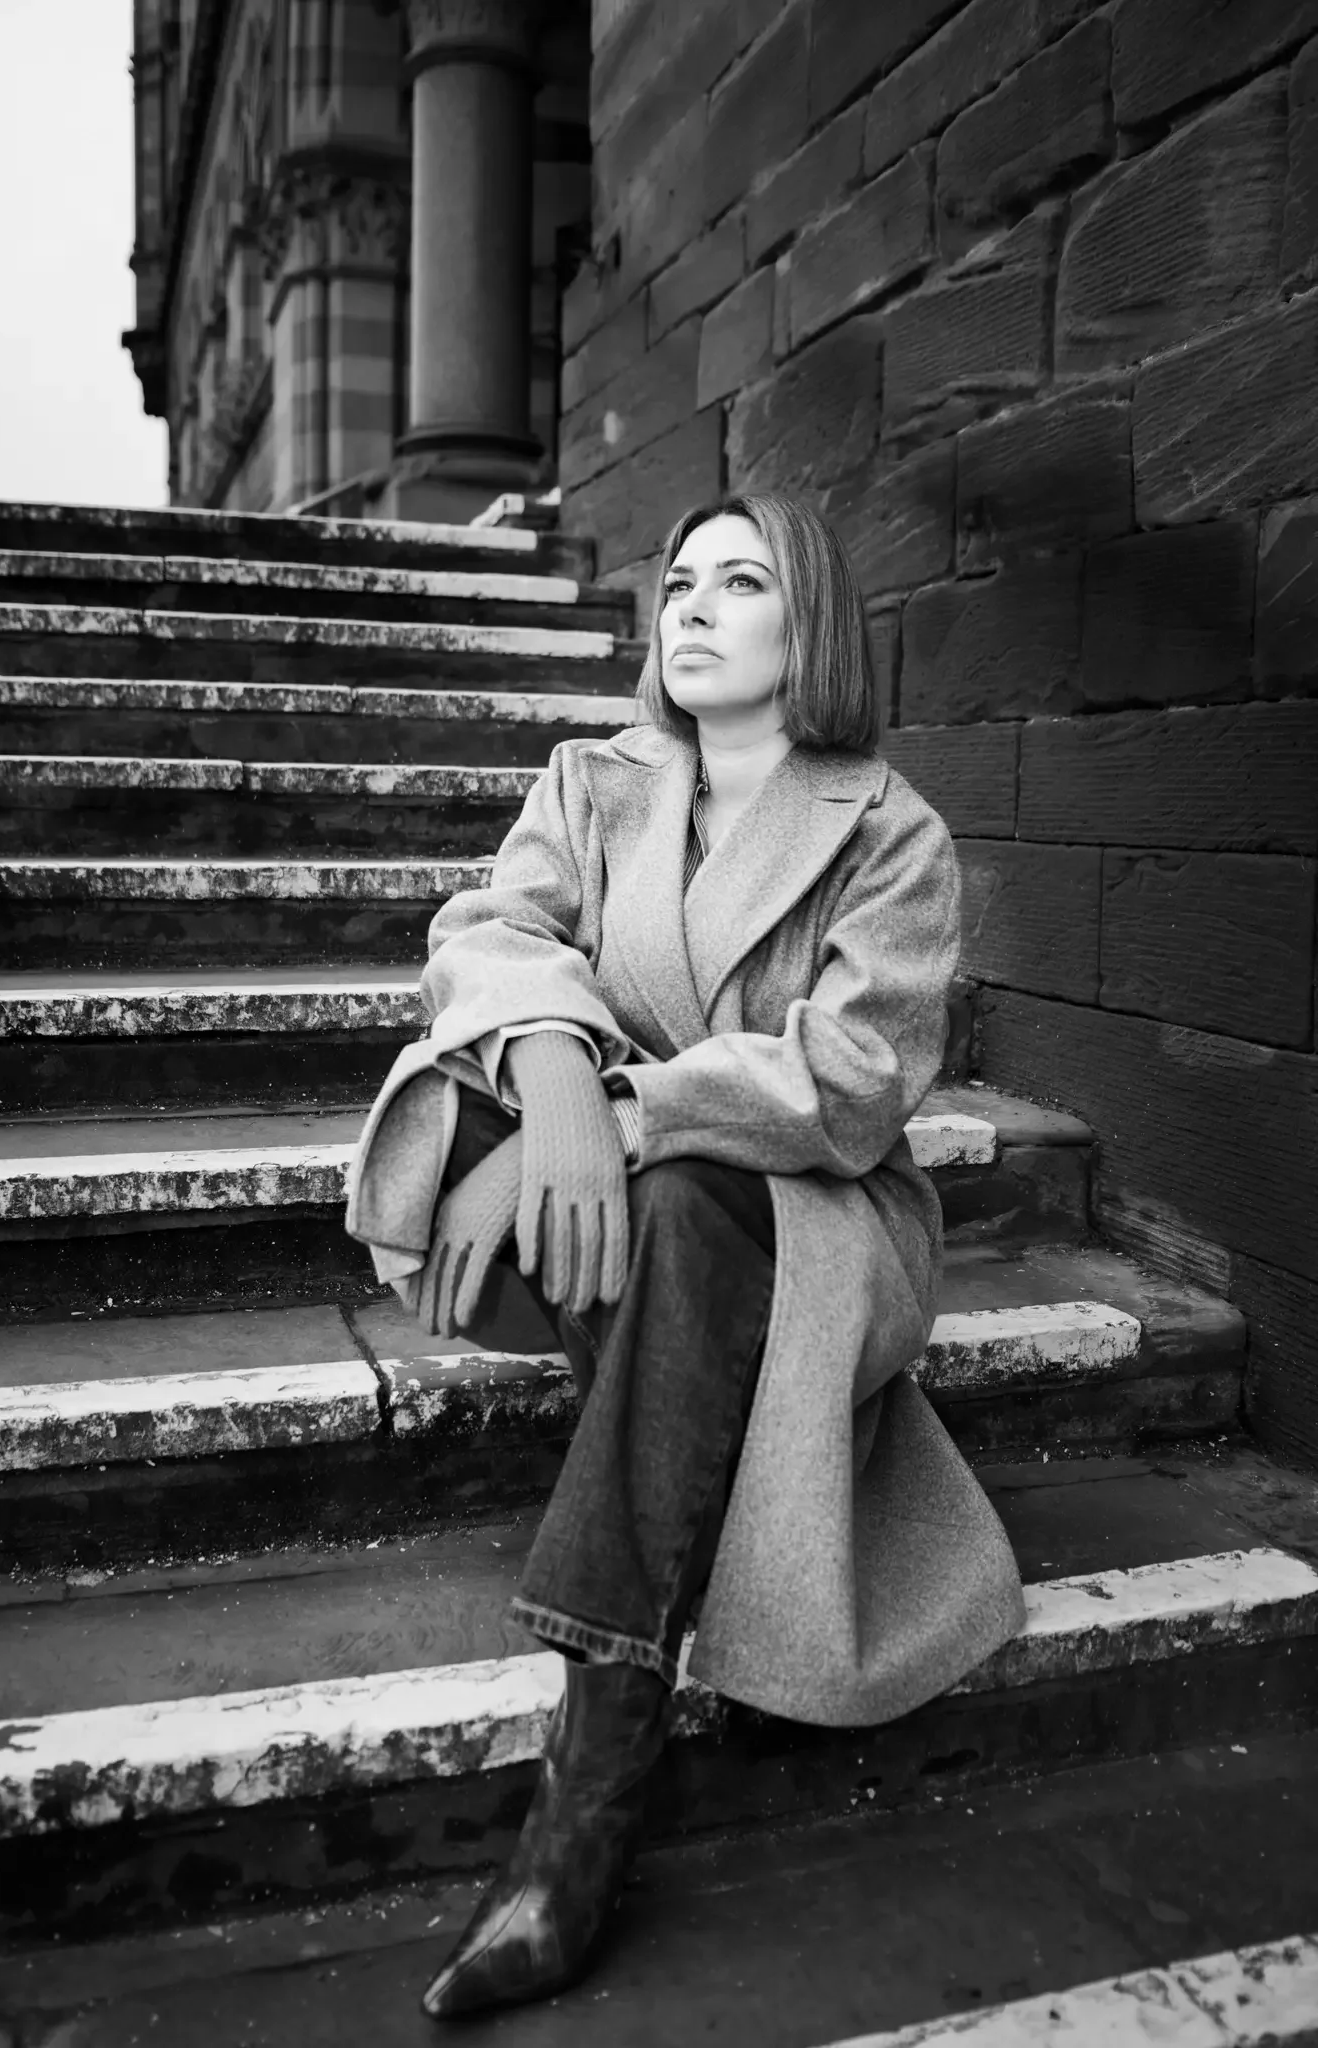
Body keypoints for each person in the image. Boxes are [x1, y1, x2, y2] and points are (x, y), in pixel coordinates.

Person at [345, 493, 1026, 2021]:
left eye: (743, 582)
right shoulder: (595, 786)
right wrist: (555, 1084)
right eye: (679, 582)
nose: (693, 607)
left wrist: (625, 1112)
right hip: (610, 1226)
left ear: (812, 628)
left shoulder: (887, 829)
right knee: (473, 1102)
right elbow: (480, 933)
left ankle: (585, 1799)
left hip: (816, 1220)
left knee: (687, 1203)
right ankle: (674, 1450)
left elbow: (852, 1078)